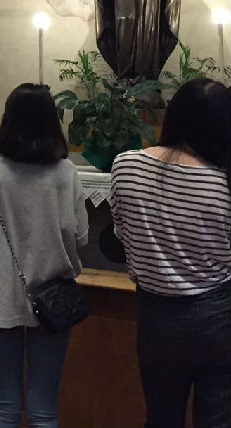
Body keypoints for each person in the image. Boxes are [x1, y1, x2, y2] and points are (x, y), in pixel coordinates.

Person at [0, 83, 89, 428]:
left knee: (5, 405)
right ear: (52, 121)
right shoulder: (65, 172)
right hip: (55, 296)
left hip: (1, 292)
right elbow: (80, 235)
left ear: (8, 118)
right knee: (44, 408)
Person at [109, 78, 231, 428]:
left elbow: (121, 233)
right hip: (218, 314)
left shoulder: (126, 166)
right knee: (218, 418)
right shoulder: (222, 181)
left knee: (161, 415)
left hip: (156, 314)